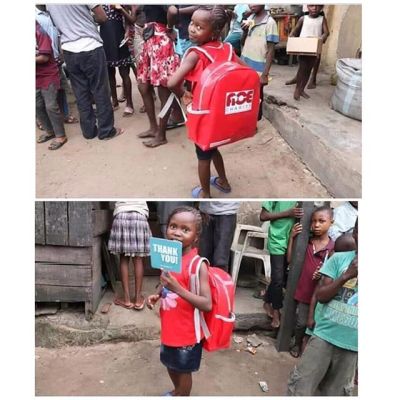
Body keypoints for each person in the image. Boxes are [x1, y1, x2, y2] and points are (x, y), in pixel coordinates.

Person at [168, 5, 243, 198]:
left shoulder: (196, 54)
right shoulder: (228, 49)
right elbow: (247, 72)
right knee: (213, 146)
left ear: (215, 31)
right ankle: (223, 181)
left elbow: (172, 82)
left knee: (203, 155)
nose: (192, 29)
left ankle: (205, 194)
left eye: (199, 27)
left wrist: (183, 92)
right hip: (220, 113)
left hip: (203, 114)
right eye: (192, 23)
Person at [287, 219, 358, 396]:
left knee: (337, 393)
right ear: (356, 234)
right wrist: (347, 275)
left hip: (354, 345)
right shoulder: (339, 260)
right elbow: (321, 296)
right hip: (324, 336)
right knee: (301, 387)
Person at [147, 206, 212, 396]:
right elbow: (166, 282)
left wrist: (178, 289)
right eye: (173, 226)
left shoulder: (198, 264)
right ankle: (176, 392)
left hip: (187, 333)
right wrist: (158, 294)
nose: (177, 233)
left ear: (196, 236)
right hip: (169, 328)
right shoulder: (168, 256)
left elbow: (207, 304)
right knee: (170, 364)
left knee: (183, 370)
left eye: (185, 229)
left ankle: (182, 394)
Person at [46, 4, 123, 140]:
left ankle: (88, 131)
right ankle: (106, 131)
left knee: (81, 92)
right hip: (90, 46)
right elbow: (102, 17)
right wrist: (86, 19)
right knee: (100, 89)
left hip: (69, 49)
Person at [286, 206, 334, 358]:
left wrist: (323, 273)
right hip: (303, 290)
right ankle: (296, 343)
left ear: (331, 222)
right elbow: (289, 260)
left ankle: (306, 347)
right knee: (301, 322)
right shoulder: (306, 242)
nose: (316, 225)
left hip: (319, 294)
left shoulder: (332, 248)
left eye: (321, 221)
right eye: (314, 221)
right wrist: (292, 238)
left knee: (312, 324)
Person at [134, 5, 182, 148]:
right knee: (143, 86)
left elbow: (173, 10)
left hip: (160, 42)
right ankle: (153, 128)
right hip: (150, 41)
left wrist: (169, 28)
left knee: (163, 90)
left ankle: (161, 135)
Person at [260, 201, 304, 328]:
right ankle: (276, 311)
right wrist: (288, 213)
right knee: (278, 278)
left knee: (280, 276)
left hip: (293, 239)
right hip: (277, 239)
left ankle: (267, 301)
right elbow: (263, 216)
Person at [108, 201, 151, 310]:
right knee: (138, 258)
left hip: (121, 214)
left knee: (124, 258)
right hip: (140, 215)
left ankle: (126, 300)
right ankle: (137, 300)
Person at [241, 4, 279, 119]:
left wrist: (265, 74)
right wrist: (244, 31)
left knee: (257, 95)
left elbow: (271, 50)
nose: (251, 5)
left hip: (259, 68)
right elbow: (243, 42)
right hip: (245, 63)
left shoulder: (270, 23)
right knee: (246, 94)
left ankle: (257, 118)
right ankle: (247, 117)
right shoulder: (250, 18)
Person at [36, 21, 68, 150]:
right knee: (37, 105)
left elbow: (44, 57)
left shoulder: (39, 32)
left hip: (47, 75)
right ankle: (49, 131)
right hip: (35, 76)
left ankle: (60, 135)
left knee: (50, 106)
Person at [287, 5, 329, 100]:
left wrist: (322, 38)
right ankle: (297, 89)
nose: (314, 8)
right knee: (302, 69)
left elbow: (326, 32)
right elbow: (295, 30)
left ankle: (302, 89)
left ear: (321, 7)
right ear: (307, 7)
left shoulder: (322, 19)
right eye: (311, 6)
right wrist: (292, 35)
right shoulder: (303, 18)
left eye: (317, 6)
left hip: (314, 49)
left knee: (308, 70)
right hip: (303, 48)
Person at [99, 4, 135, 117]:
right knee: (110, 73)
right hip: (105, 38)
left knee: (124, 72)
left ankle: (129, 104)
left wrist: (128, 31)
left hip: (119, 36)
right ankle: (114, 101)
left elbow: (130, 16)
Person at [199, 202, 240, 272]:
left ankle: (219, 282)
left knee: (220, 260)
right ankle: (203, 282)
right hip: (205, 211)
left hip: (227, 212)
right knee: (203, 258)